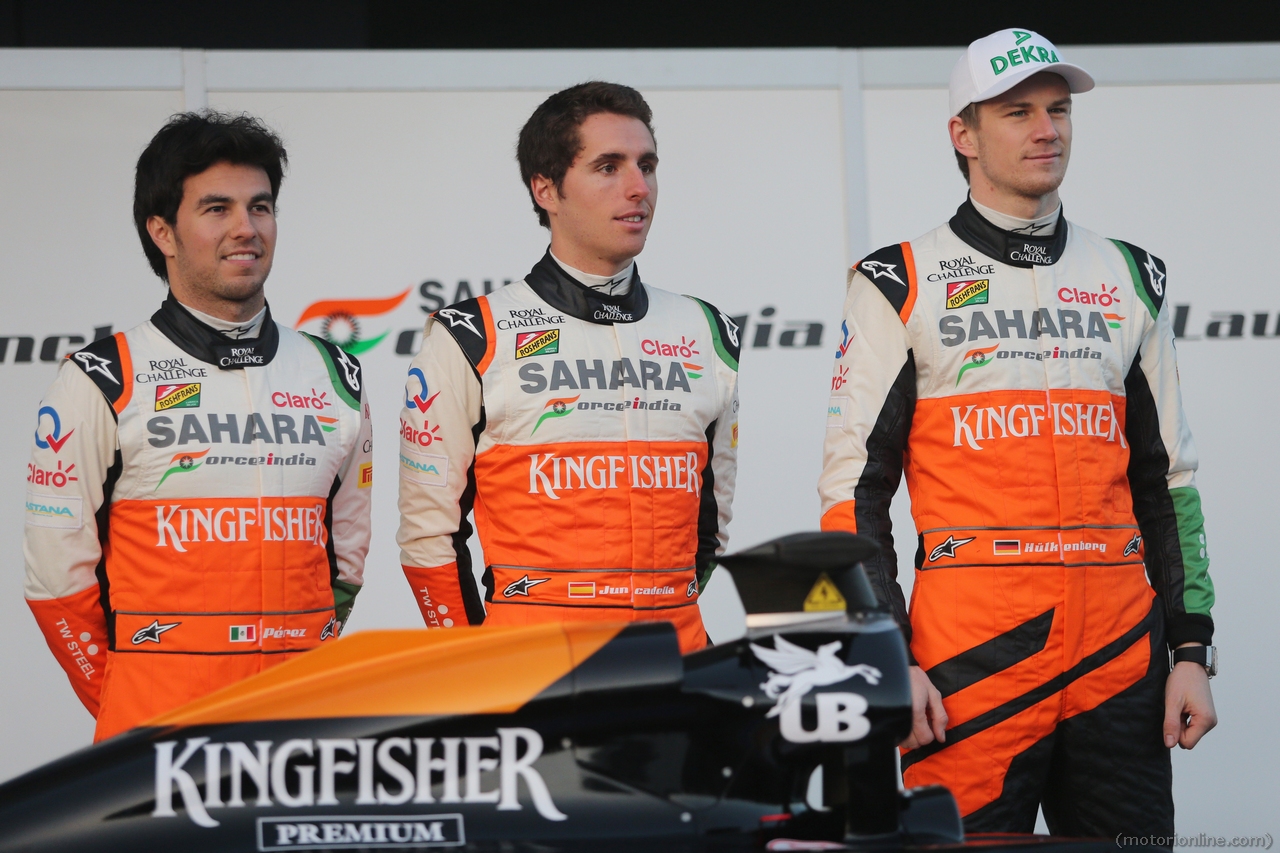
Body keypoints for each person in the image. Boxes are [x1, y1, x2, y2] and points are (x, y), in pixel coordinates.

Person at [818, 29, 1216, 835]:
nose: (1048, 129)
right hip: (972, 655)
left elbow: (1166, 481)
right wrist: (891, 656)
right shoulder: (899, 281)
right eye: (1018, 112)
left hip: (1118, 655)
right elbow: (853, 495)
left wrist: (1191, 652)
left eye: (1059, 109)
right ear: (963, 135)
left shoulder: (1128, 275)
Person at [23, 112, 372, 742]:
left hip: (305, 716)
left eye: (260, 207)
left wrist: (301, 652)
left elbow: (345, 559)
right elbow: (56, 581)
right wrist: (128, 700)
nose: (246, 229)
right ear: (163, 231)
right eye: (217, 209)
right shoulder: (103, 376)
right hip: (158, 723)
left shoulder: (334, 370)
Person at [397, 82, 739, 653]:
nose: (639, 188)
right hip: (532, 676)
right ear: (546, 189)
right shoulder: (473, 334)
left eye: (647, 165)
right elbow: (428, 538)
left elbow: (709, 527)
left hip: (676, 667)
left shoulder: (705, 330)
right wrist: (471, 668)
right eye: (608, 166)